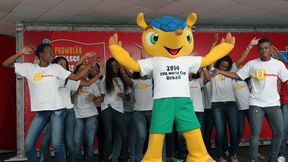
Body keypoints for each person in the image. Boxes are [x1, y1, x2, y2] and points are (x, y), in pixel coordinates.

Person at [2, 44, 96, 162]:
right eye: (49, 52)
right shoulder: (30, 68)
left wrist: (90, 64)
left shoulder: (56, 68)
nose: (53, 54)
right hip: (42, 112)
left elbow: (77, 77)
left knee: (57, 144)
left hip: (57, 110)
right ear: (41, 54)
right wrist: (21, 53)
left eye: (53, 52)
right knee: (28, 144)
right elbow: (6, 64)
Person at [213, 38, 288, 162]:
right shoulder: (252, 64)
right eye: (261, 48)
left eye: (266, 48)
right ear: (258, 50)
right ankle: (254, 159)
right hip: (256, 103)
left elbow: (285, 79)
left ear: (270, 49)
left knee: (279, 132)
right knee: (255, 135)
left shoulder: (278, 65)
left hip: (273, 103)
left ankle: (273, 158)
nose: (263, 50)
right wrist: (220, 71)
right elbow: (238, 75)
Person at [208, 56, 239, 162]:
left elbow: (240, 60)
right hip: (217, 105)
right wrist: (214, 45)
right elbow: (209, 59)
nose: (224, 69)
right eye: (222, 66)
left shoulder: (231, 71)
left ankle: (232, 154)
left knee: (234, 131)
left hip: (231, 104)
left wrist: (249, 46)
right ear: (217, 64)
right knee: (220, 131)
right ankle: (220, 155)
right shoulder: (213, 70)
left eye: (226, 67)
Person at [100, 57, 130, 162]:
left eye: (116, 65)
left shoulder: (123, 79)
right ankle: (104, 159)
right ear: (109, 67)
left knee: (125, 135)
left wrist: (123, 95)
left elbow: (128, 98)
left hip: (119, 109)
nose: (115, 67)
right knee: (109, 136)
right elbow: (102, 96)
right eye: (112, 66)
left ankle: (125, 158)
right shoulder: (105, 78)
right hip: (107, 108)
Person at [73, 63, 102, 162]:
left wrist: (94, 98)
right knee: (77, 142)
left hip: (91, 116)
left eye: (86, 70)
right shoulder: (73, 84)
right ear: (77, 72)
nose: (85, 72)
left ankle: (89, 160)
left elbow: (99, 101)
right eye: (82, 70)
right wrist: (76, 92)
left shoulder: (92, 84)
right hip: (77, 115)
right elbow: (71, 101)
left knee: (89, 142)